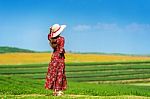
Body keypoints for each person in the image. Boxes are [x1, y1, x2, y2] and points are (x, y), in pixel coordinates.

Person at [45, 24, 67, 96]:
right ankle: (58, 90)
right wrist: (63, 51)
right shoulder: (61, 39)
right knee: (60, 73)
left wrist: (50, 30)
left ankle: (54, 90)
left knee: (53, 73)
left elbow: (49, 36)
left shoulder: (52, 39)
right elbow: (61, 50)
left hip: (54, 57)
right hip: (59, 58)